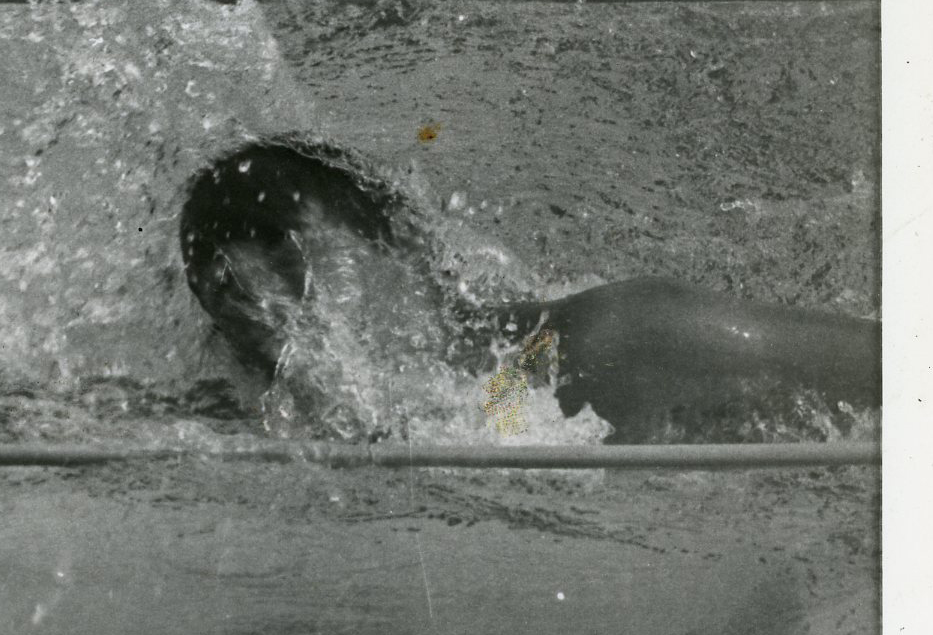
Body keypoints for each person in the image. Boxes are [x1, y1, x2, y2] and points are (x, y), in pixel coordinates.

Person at [181, 135, 878, 443]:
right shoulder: (475, 401)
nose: (307, 340)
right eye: (260, 324)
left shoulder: (612, 332)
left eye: (309, 282)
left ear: (414, 247)